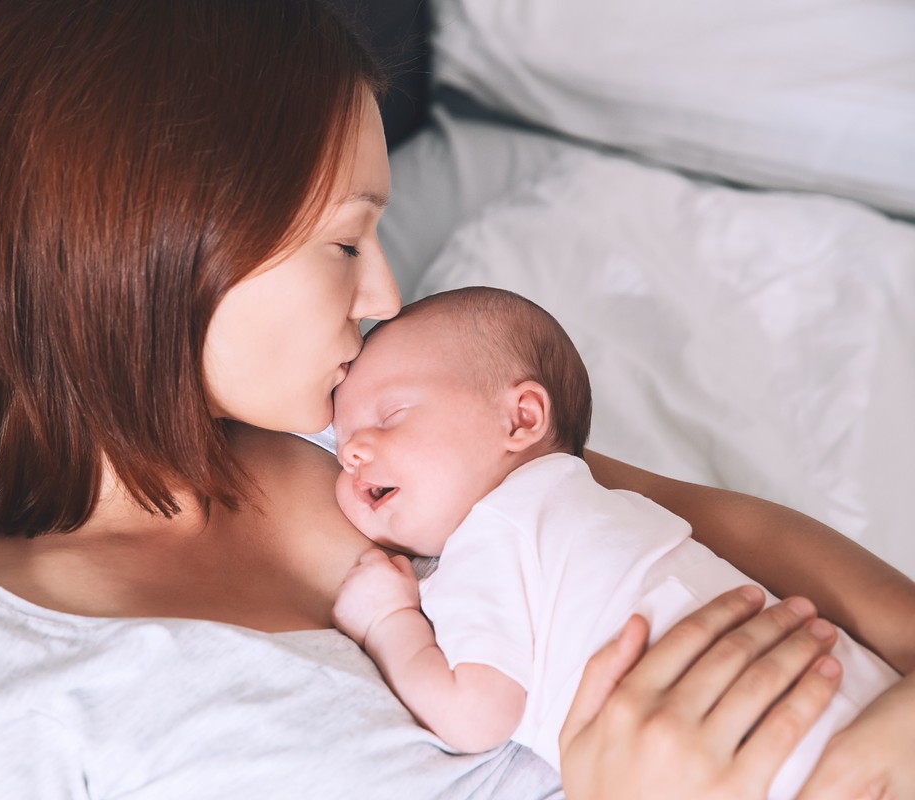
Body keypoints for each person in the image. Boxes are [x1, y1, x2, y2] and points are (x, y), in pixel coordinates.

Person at [0, 1, 915, 798]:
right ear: (162, 244)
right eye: (344, 241)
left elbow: (709, 525)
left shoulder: (353, 434)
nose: (382, 295)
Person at [329, 287, 900, 798]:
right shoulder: (605, 500)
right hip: (866, 705)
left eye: (392, 415)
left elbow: (476, 713)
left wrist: (387, 621)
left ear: (522, 418)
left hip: (776, 761)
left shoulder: (489, 537)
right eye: (343, 445)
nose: (353, 451)